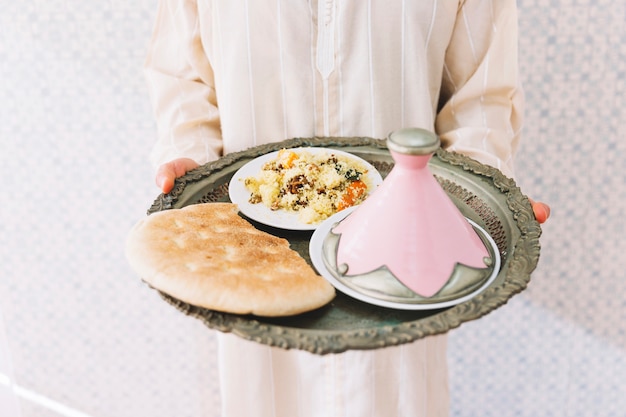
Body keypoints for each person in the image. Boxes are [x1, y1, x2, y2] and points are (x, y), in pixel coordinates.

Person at [144, 1, 550, 416]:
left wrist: (481, 192)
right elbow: (183, 75)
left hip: (404, 269)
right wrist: (190, 157)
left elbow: (480, 100)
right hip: (252, 260)